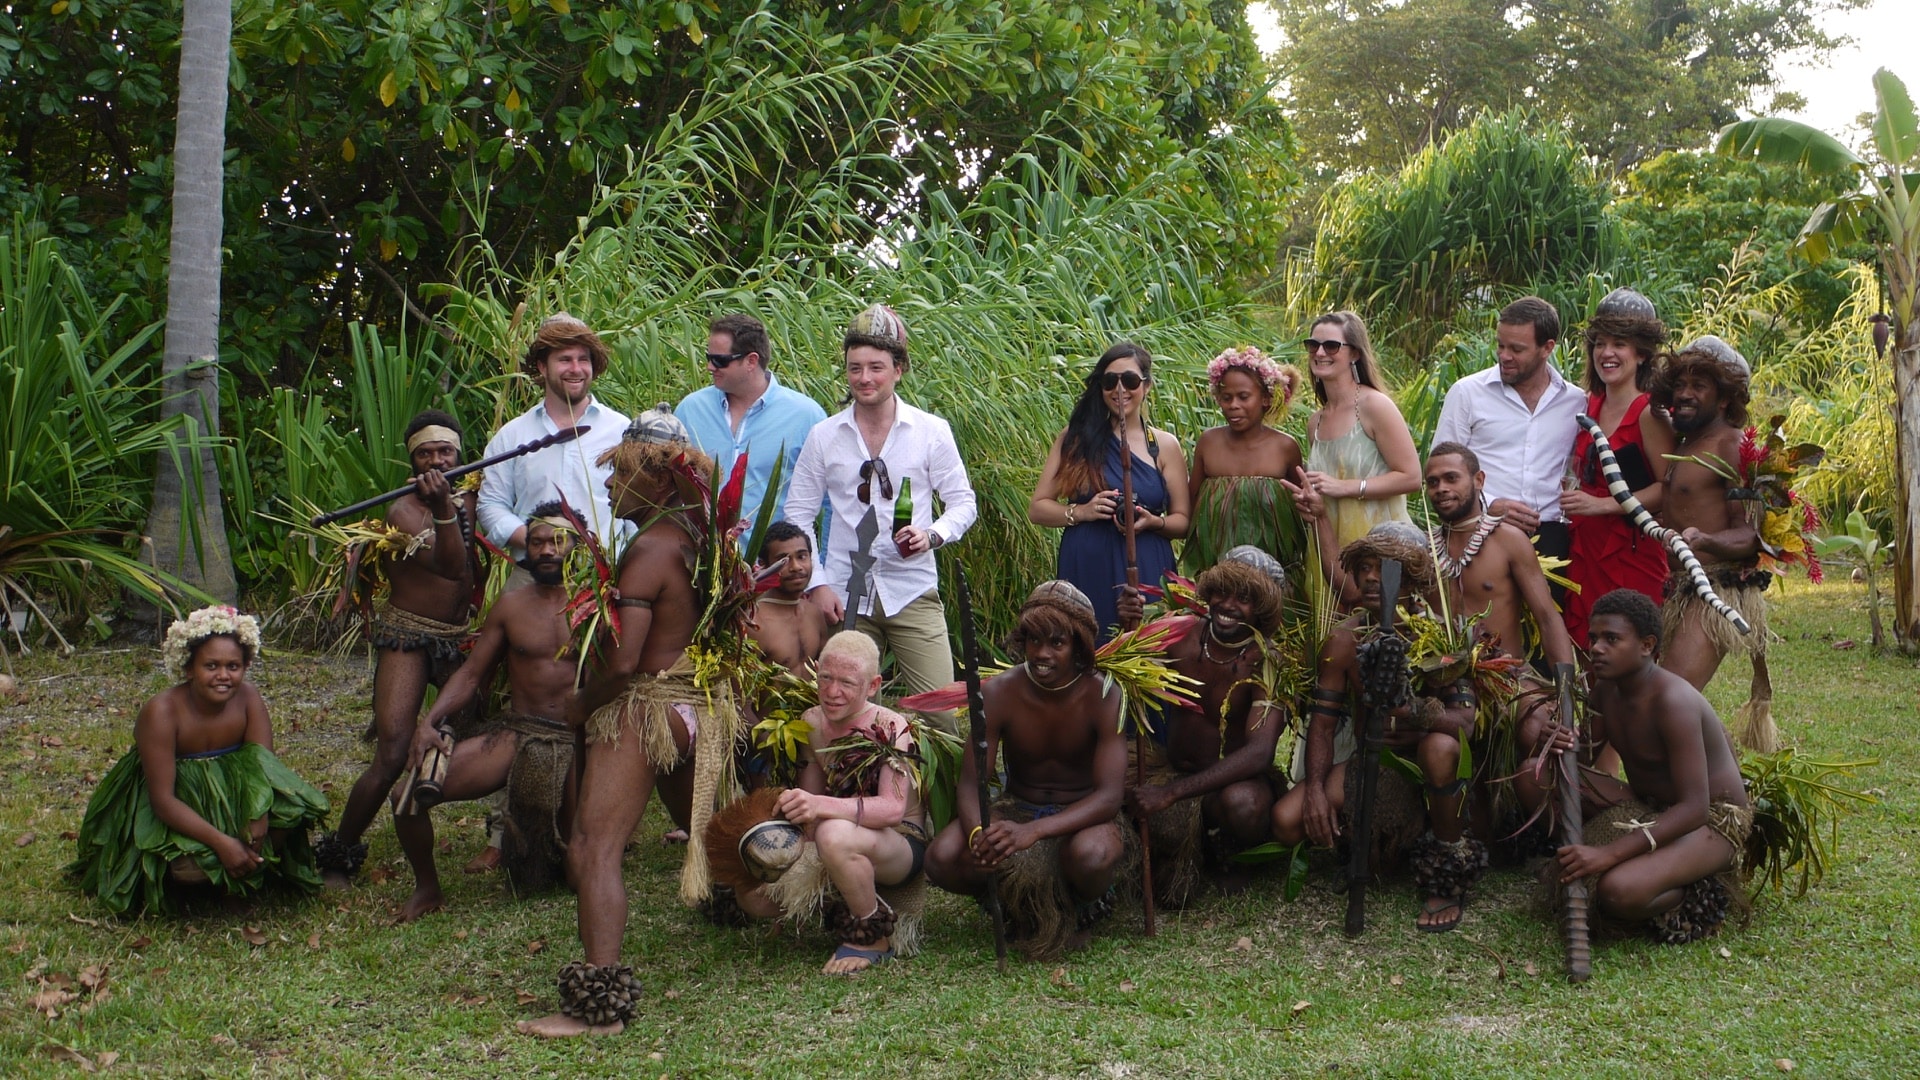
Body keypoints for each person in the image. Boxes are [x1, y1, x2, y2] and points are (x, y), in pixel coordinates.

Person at [520, 407, 716, 1038]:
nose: (608, 485)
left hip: (647, 709)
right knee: (703, 832)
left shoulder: (650, 549)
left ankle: (597, 1005)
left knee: (593, 846)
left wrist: (583, 702)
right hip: (693, 704)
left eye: (620, 473)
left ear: (658, 481)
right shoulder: (700, 533)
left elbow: (627, 661)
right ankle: (766, 904)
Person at [1271, 526, 1484, 932]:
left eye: (1385, 568)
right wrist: (1315, 789)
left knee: (1439, 748)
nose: (1371, 577)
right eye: (1364, 567)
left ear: (1414, 579)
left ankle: (1446, 865)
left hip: (1428, 767)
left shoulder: (1444, 634)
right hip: (1372, 761)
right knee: (1286, 820)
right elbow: (1322, 723)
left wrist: (1410, 710)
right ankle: (1373, 843)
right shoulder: (1344, 638)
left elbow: (1465, 726)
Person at [1516, 589, 1751, 943]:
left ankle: (1694, 888)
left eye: (1612, 639)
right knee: (1533, 775)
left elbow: (1695, 808)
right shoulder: (1607, 691)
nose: (1596, 648)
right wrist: (1558, 743)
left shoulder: (1674, 701)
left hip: (1711, 821)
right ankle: (1613, 860)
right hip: (1649, 805)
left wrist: (1606, 855)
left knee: (1618, 891)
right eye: (1594, 638)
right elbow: (1579, 764)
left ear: (1646, 645)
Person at [390, 505, 584, 921]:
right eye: (537, 542)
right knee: (404, 797)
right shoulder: (511, 606)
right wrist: (429, 721)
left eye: (557, 540)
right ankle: (427, 889)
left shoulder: (599, 604)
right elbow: (472, 673)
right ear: (525, 550)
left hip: (582, 740)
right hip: (520, 732)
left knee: (577, 876)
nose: (547, 549)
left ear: (577, 544)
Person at [784, 304, 977, 714]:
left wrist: (932, 535)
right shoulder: (824, 435)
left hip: (912, 587)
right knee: (842, 710)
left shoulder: (930, 431)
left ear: (898, 369)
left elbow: (963, 502)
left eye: (876, 367)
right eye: (855, 368)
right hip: (844, 591)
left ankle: (935, 779)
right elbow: (797, 515)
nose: (864, 378)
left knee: (940, 710)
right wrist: (817, 583)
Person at [72, 607, 328, 914]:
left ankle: (240, 875)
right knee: (187, 869)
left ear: (246, 665)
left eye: (233, 666)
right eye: (211, 666)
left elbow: (264, 768)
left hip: (235, 792)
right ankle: (210, 875)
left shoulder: (248, 698)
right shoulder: (162, 712)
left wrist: (257, 816)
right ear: (189, 668)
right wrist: (222, 843)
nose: (223, 675)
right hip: (180, 801)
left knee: (293, 810)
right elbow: (162, 801)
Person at [925, 582, 1129, 959]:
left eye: (1056, 643)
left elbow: (1109, 797)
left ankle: (1082, 908)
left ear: (1079, 646)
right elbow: (972, 783)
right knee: (942, 857)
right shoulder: (1000, 692)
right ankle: (1014, 905)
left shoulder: (1104, 695)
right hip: (1019, 803)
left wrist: (1033, 831)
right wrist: (977, 834)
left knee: (1092, 855)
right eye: (1033, 641)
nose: (1041, 653)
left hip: (1082, 814)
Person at [319, 409, 478, 888]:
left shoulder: (477, 499)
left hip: (463, 637)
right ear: (411, 462)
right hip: (407, 634)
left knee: (503, 732)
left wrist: (457, 504)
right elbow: (451, 566)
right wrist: (446, 507)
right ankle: (339, 853)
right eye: (425, 454)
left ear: (458, 455)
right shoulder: (403, 510)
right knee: (390, 755)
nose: (436, 461)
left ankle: (511, 838)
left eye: (444, 453)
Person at [731, 632, 930, 974]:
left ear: (872, 685)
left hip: (896, 842)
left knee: (833, 833)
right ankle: (833, 906)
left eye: (847, 683)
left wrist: (819, 807)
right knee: (750, 895)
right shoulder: (812, 722)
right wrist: (794, 883)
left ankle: (871, 933)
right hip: (833, 837)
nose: (832, 692)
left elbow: (891, 809)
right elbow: (811, 809)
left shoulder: (891, 726)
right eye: (825, 678)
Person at [1127, 549, 1288, 901]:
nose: (1228, 605)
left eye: (1244, 598)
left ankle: (1230, 848)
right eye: (1222, 591)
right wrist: (1131, 626)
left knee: (1245, 805)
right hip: (1171, 768)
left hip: (1228, 782)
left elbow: (1259, 754)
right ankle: (1190, 844)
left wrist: (1169, 795)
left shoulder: (1268, 662)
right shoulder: (1178, 632)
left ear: (1263, 608)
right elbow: (1124, 670)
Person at [1028, 341, 1190, 640]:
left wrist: (1154, 522)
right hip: (1088, 561)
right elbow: (1038, 508)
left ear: (1146, 386)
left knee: (1148, 651)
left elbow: (1182, 521)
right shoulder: (1075, 439)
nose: (1119, 389)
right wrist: (1082, 512)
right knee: (1085, 649)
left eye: (1129, 380)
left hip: (1146, 560)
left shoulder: (1164, 446)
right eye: (1109, 381)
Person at [1431, 297, 1584, 575]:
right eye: (1501, 345)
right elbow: (1439, 470)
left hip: (1553, 538)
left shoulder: (1575, 402)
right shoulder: (1467, 393)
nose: (1504, 355)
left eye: (1517, 349)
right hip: (1481, 532)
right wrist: (1488, 506)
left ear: (1547, 348)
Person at [1559, 289, 1675, 648]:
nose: (1606, 353)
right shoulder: (1588, 404)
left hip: (1631, 552)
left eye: (1619, 344)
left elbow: (1667, 488)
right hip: (1583, 547)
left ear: (1641, 354)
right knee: (1587, 648)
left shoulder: (1649, 412)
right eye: (1600, 343)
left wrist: (1605, 505)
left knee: (1628, 650)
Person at [1651, 337, 1763, 690]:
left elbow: (1750, 535)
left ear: (1725, 398)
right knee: (1667, 701)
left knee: (1671, 696)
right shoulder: (1683, 443)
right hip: (1676, 588)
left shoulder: (1733, 445)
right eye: (1680, 384)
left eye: (1699, 386)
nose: (1685, 394)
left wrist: (1705, 539)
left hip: (1716, 589)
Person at [477, 313, 632, 560]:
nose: (576, 369)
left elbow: (637, 510)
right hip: (532, 577)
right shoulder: (512, 435)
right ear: (542, 366)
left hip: (604, 580)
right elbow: (491, 505)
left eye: (583, 359)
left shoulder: (622, 430)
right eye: (565, 359)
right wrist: (536, 542)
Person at [1283, 312, 1419, 592]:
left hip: (1379, 548)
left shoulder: (1374, 406)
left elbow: (1411, 477)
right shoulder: (1315, 422)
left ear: (1354, 353)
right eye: (1313, 345)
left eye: (1331, 346)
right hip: (1331, 547)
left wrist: (1345, 487)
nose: (1320, 353)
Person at [674, 312, 826, 526]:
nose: (710, 367)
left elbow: (829, 500)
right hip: (698, 555)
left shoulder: (806, 416)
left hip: (771, 557)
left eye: (719, 360)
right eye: (708, 358)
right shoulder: (690, 410)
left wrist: (822, 558)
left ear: (751, 361)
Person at [1183, 347, 1309, 576]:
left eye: (1243, 397)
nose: (1233, 406)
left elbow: (1301, 511)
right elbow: (1190, 506)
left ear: (1265, 398)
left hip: (1273, 573)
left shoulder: (1285, 447)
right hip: (1216, 571)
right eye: (1226, 398)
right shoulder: (1208, 442)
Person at [750, 521, 831, 677]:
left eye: (802, 556)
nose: (796, 567)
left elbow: (827, 675)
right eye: (784, 560)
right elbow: (740, 696)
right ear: (764, 566)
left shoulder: (815, 614)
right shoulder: (755, 622)